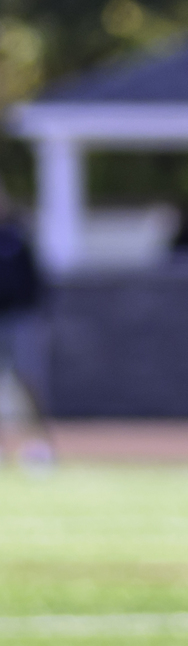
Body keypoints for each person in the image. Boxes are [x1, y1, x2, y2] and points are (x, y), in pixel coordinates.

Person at [0, 185, 52, 464]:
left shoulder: (18, 237)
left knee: (28, 379)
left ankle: (39, 443)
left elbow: (35, 279)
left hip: (19, 318)